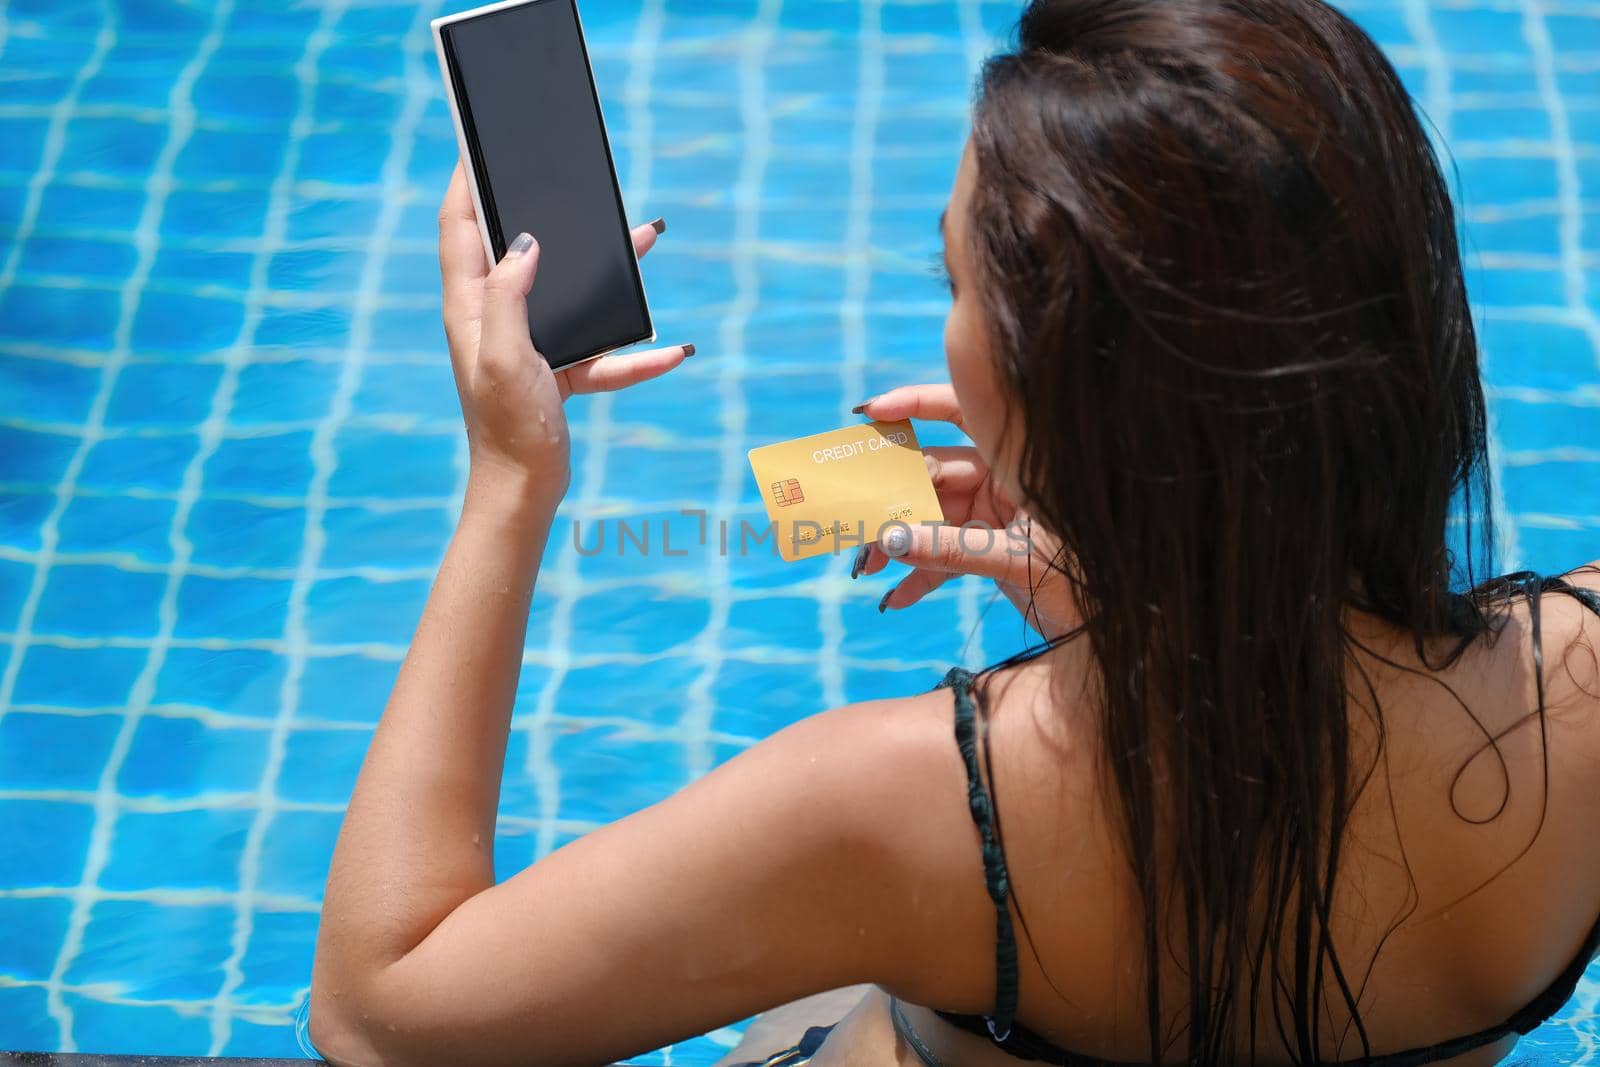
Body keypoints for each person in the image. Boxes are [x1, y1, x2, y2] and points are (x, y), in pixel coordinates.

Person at [307, 1, 1600, 1064]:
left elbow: (379, 1016)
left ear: (1055, 379)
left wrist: (507, 483)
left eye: (957, 281)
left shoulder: (905, 806)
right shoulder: (1580, 679)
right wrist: (1140, 605)